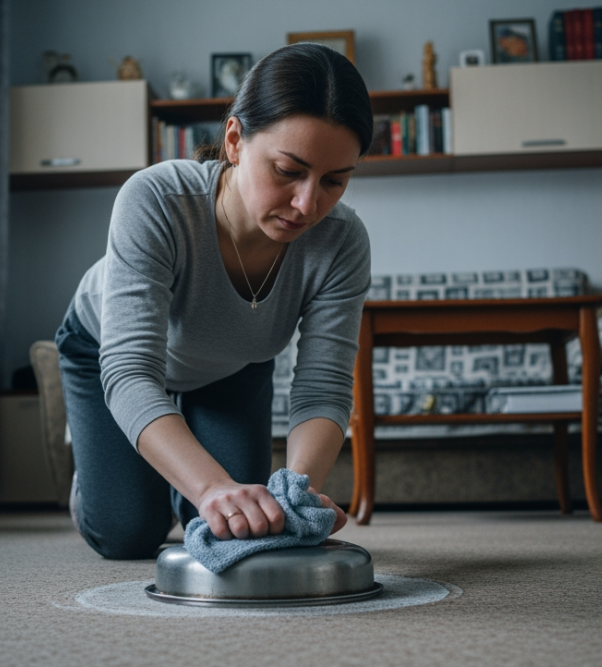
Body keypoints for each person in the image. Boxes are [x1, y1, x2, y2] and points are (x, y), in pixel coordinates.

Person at [55, 43, 375, 560]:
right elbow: (131, 369)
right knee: (127, 533)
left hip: (231, 367)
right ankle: (104, 471)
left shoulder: (342, 242)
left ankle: (178, 465)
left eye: (334, 181)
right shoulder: (155, 199)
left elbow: (322, 387)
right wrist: (209, 487)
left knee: (248, 524)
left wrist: (293, 494)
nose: (307, 204)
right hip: (109, 356)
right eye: (288, 170)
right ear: (234, 141)